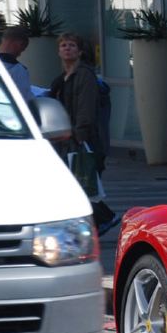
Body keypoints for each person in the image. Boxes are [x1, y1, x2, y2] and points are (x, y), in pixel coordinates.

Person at [49, 32, 118, 233]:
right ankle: (94, 222)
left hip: (83, 139)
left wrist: (79, 135)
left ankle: (103, 218)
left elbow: (85, 108)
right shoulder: (62, 78)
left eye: (71, 45)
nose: (67, 49)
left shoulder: (84, 75)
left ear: (79, 51)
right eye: (63, 45)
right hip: (67, 138)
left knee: (81, 183)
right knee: (77, 183)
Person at [0, 26, 34, 101]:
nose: (19, 54)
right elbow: (24, 100)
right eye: (22, 50)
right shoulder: (18, 70)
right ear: (19, 44)